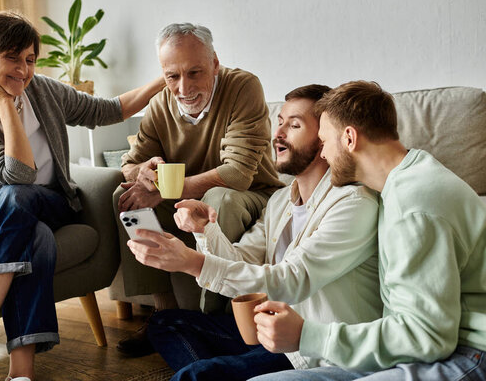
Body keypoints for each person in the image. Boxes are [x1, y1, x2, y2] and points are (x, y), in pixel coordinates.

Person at [0, 12, 165, 381]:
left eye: (30, 59)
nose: (24, 70)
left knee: (19, 199)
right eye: (13, 58)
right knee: (31, 229)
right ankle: (21, 373)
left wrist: (165, 80)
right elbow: (17, 175)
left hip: (51, 200)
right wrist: (6, 103)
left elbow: (109, 110)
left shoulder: (42, 89)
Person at [127, 85, 384, 381]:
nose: (278, 134)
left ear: (326, 137)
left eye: (295, 125)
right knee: (165, 323)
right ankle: (231, 371)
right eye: (280, 122)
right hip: (267, 334)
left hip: (309, 350)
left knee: (197, 374)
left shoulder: (353, 203)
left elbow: (291, 280)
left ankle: (217, 372)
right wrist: (205, 230)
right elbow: (244, 260)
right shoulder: (281, 200)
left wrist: (189, 262)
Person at [250, 81, 486, 381]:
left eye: (325, 142)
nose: (322, 156)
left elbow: (429, 336)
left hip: (469, 354)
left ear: (349, 138)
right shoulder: (403, 182)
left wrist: (308, 336)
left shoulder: (414, 204)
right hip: (425, 350)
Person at [114, 23, 283, 355]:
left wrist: (165, 190)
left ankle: (212, 320)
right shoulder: (161, 103)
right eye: (172, 76)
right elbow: (129, 163)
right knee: (127, 198)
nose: (183, 87)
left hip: (252, 195)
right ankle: (164, 312)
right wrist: (144, 173)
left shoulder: (243, 86)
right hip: (186, 198)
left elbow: (237, 174)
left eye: (194, 73)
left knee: (219, 198)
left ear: (215, 64)